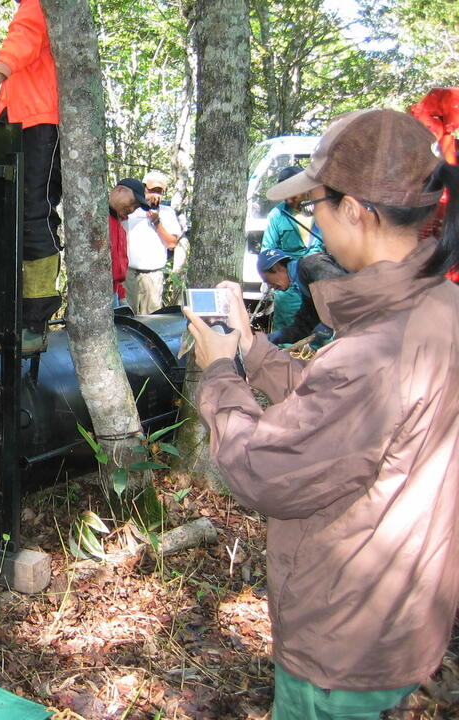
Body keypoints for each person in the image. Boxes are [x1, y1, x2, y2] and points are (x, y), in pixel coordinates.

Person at [183, 108, 459, 719]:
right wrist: (253, 350)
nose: (316, 223)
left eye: (318, 207)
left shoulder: (374, 350)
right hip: (403, 614)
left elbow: (263, 471)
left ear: (355, 210)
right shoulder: (439, 305)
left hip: (343, 639)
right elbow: (342, 411)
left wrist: (220, 372)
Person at [0, 0, 61, 354]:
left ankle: (34, 323)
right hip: (19, 123)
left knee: (33, 216)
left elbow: (23, 35)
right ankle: (12, 317)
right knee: (12, 220)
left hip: (39, 123)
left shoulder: (38, 3)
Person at [261, 166, 325, 329]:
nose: (289, 200)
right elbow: (267, 253)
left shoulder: (322, 209)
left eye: (293, 195)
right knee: (287, 336)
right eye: (285, 197)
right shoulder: (277, 215)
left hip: (320, 282)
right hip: (290, 289)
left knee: (324, 333)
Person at [256, 248, 347, 347]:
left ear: (277, 267)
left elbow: (343, 294)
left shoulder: (313, 266)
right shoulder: (304, 283)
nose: (270, 286)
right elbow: (306, 325)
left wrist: (328, 323)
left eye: (266, 280)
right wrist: (279, 336)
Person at [124, 170, 182, 314]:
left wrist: (156, 221)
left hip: (153, 276)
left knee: (152, 319)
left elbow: (171, 244)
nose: (156, 195)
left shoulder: (167, 213)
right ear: (144, 189)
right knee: (126, 316)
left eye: (160, 191)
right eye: (152, 190)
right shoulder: (129, 211)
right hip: (128, 275)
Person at [108, 179, 146, 305]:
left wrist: (121, 295)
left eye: (136, 207)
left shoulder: (121, 222)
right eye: (132, 203)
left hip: (113, 292)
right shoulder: (99, 217)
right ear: (119, 191)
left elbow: (117, 263)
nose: (131, 209)